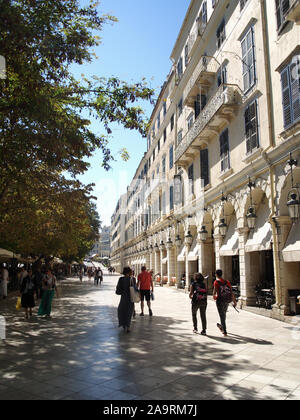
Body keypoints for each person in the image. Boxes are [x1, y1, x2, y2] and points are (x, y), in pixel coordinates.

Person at [213, 269, 237, 337]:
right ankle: (221, 326)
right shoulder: (227, 282)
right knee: (223, 314)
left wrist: (214, 297)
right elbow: (231, 292)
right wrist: (234, 301)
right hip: (226, 300)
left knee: (222, 315)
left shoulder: (216, 282)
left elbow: (214, 293)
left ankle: (224, 331)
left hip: (220, 300)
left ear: (216, 275)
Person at [116, 267, 135, 333]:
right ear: (129, 272)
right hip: (131, 298)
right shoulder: (133, 279)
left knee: (122, 310)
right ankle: (128, 327)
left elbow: (118, 288)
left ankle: (123, 324)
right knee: (129, 312)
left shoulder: (121, 279)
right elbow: (135, 288)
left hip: (123, 297)